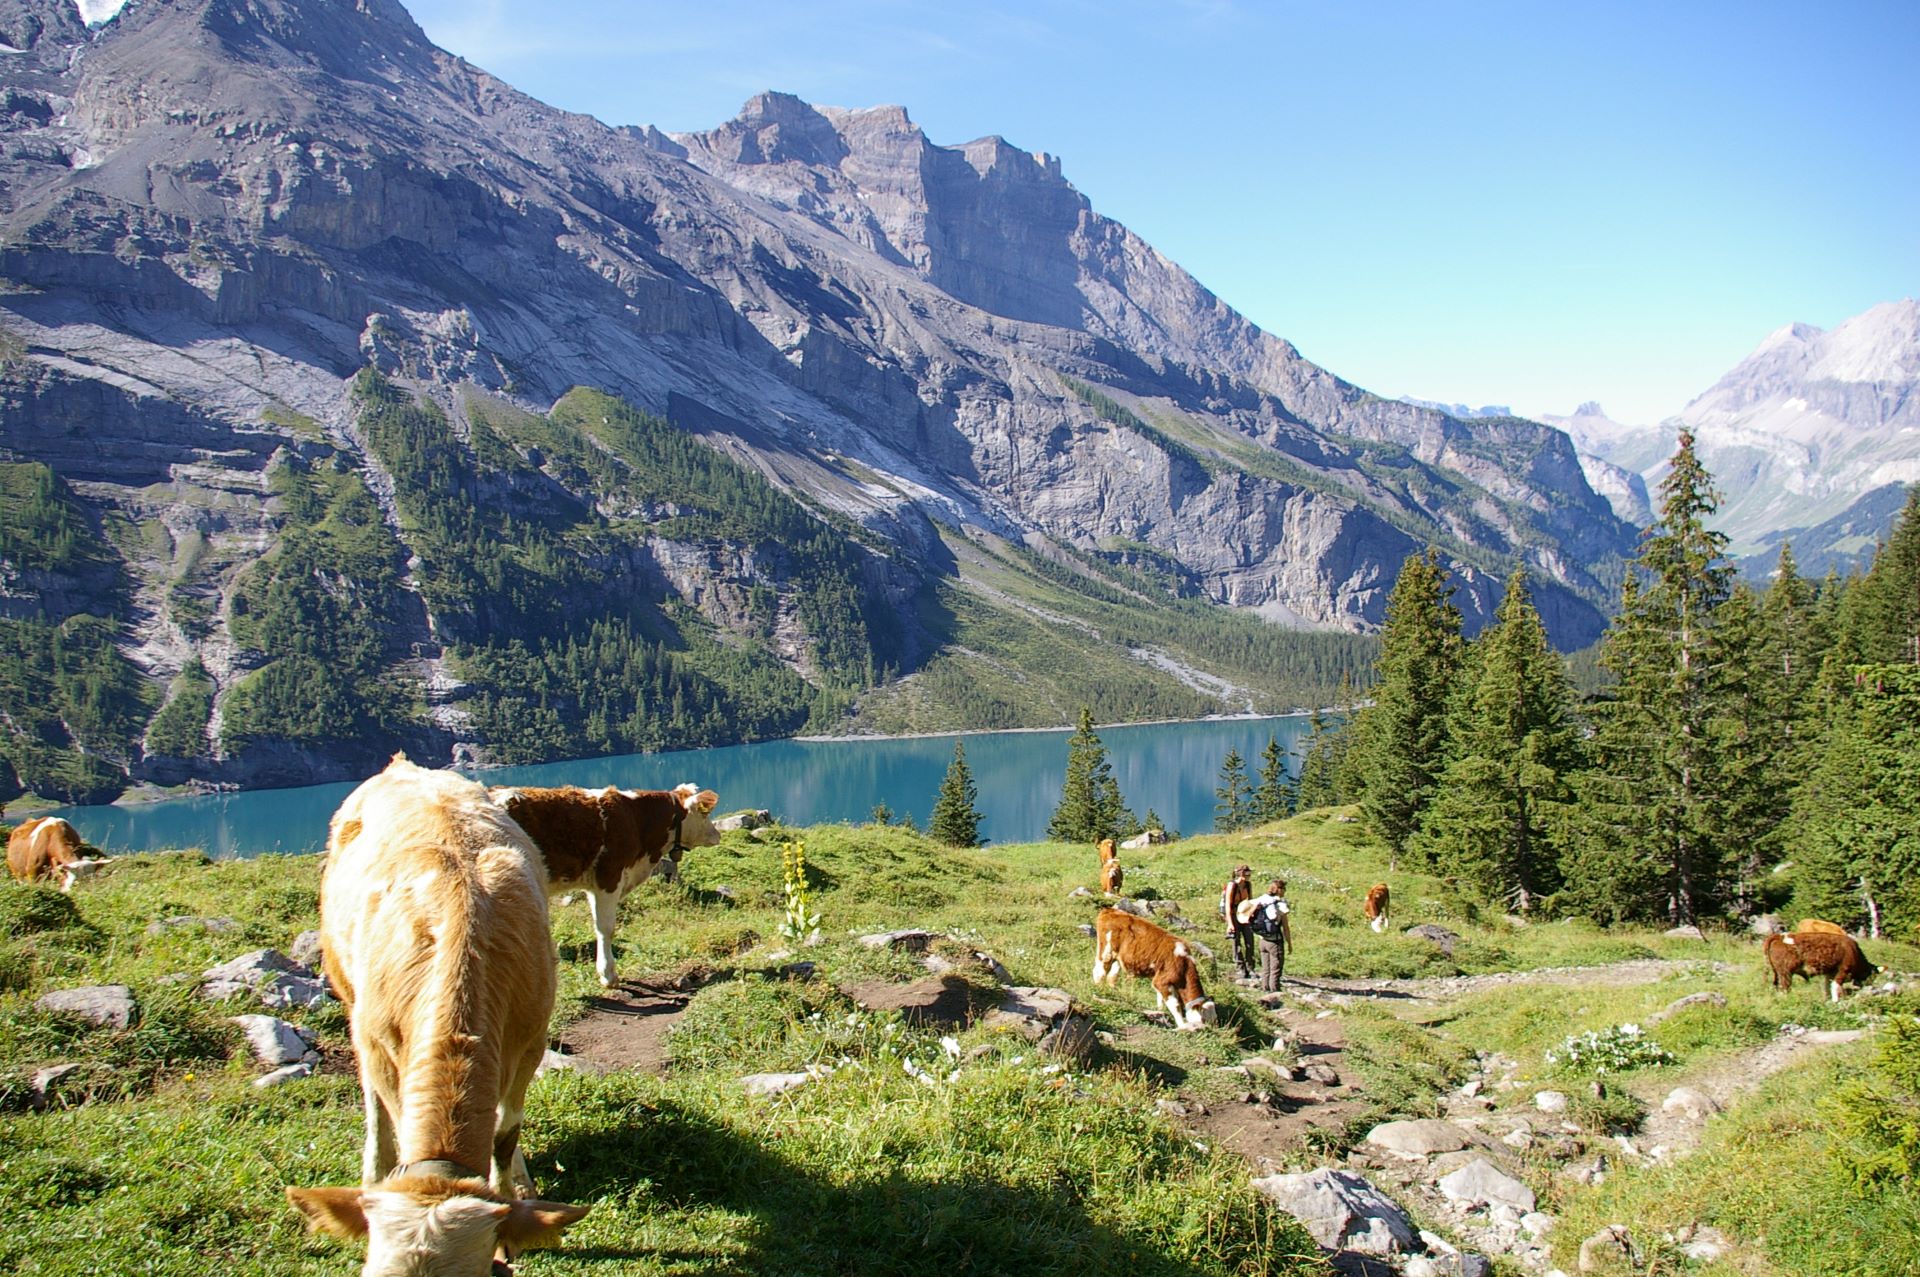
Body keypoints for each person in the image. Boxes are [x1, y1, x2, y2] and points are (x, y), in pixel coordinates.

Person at [1246, 877, 1292, 993]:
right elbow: (1285, 928)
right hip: (1275, 942)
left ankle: (1264, 989)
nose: (1285, 891)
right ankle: (1274, 992)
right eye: (1284, 888)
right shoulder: (1280, 905)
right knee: (1276, 969)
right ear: (1279, 890)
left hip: (1262, 940)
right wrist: (1289, 943)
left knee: (1266, 968)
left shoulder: (1262, 899)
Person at [1220, 864, 1254, 982]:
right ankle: (1240, 967)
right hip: (1233, 915)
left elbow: (1249, 901)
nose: (1249, 875)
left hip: (1244, 915)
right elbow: (1228, 906)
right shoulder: (1232, 885)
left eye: (1249, 873)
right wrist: (1230, 923)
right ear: (1241, 873)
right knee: (1236, 941)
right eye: (1247, 873)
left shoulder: (1248, 885)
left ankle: (1251, 967)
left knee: (1249, 940)